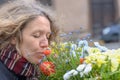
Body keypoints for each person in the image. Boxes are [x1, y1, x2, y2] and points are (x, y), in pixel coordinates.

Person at [0, 0, 59, 80]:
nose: (45, 44)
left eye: (47, 37)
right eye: (36, 35)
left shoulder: (36, 73)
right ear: (14, 36)